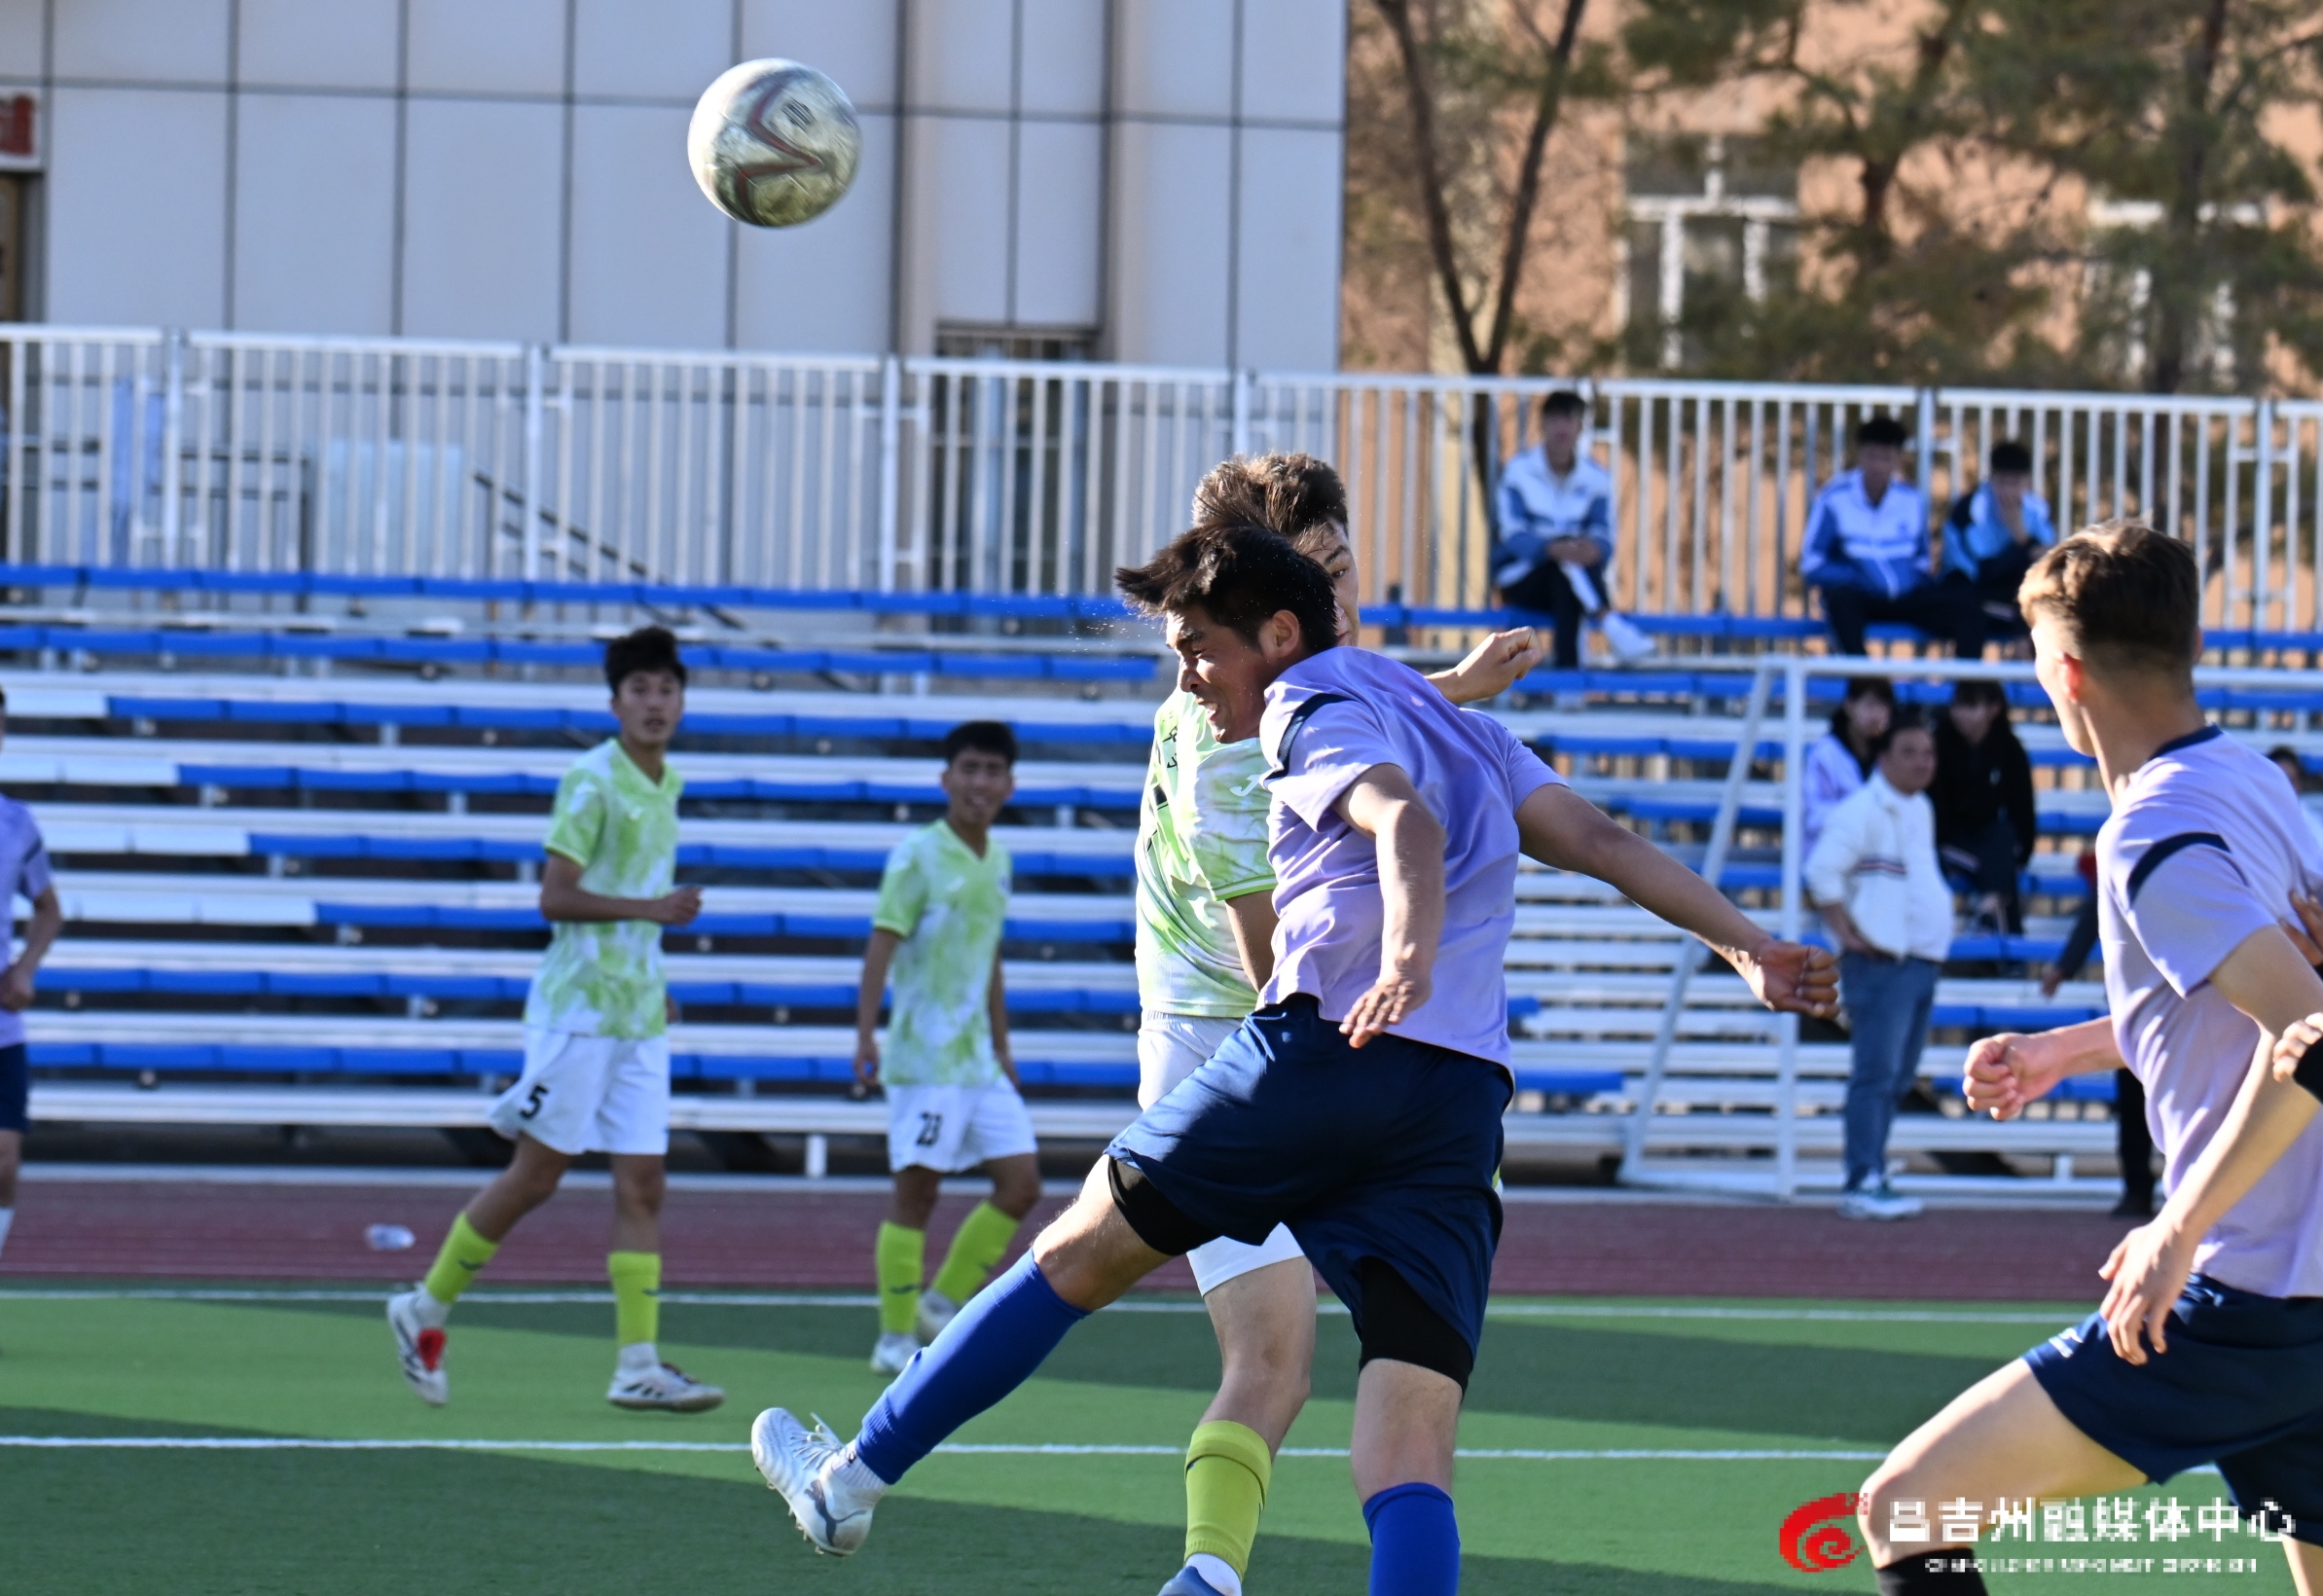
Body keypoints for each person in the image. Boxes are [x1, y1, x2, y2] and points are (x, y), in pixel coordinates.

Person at [748, 525, 1836, 1592]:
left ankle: (850, 1482)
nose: (1187, 676)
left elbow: (1400, 822)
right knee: (1409, 1445)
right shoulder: (1464, 727)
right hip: (1457, 1105)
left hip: (1328, 1052)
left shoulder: (1304, 701)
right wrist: (1747, 946)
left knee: (1078, 1254)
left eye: (1198, 649)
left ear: (1278, 633)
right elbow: (1601, 841)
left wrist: (1403, 954)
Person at [1859, 522, 2323, 1594]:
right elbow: (2247, 996)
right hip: (2304, 1284)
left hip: (2252, 1289)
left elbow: (2307, 1036)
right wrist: (2062, 1050)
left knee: (1908, 1508)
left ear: (2063, 671)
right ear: (2187, 643)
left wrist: (2174, 1229)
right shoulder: (2252, 779)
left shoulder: (2150, 831)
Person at [1130, 452, 1542, 1596]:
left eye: (1344, 565)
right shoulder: (1225, 736)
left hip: (1299, 1045)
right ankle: (1198, 1572)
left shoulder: (1293, 690)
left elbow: (1347, 728)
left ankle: (1203, 1574)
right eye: (1315, 569)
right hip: (1238, 1046)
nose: (1338, 594)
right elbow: (1270, 954)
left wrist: (1446, 689)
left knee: (1322, 1372)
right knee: (1277, 1361)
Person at [387, 627, 722, 1412]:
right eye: (639, 690)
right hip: (577, 1013)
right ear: (614, 703)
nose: (654, 703)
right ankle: (423, 1307)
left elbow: (630, 903)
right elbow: (555, 896)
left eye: (666, 689)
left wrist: (652, 976)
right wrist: (652, 912)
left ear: (681, 701)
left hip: (634, 1013)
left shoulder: (666, 782)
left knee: (644, 1184)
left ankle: (637, 1365)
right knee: (536, 1175)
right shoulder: (591, 779)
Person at [854, 720, 1040, 1376]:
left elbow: (989, 958)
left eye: (992, 771)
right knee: (917, 1193)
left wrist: (1002, 1043)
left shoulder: (999, 859)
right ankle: (892, 1337)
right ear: (946, 779)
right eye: (969, 769)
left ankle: (938, 1305)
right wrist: (865, 1033)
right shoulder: (917, 855)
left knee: (1021, 1185)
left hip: (977, 1060)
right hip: (924, 1059)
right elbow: (881, 943)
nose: (980, 783)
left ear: (1009, 785)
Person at [1807, 714, 1951, 1221]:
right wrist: (1846, 935)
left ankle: (1873, 1170)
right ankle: (1862, 1177)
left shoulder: (1919, 807)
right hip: (1884, 964)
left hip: (1919, 960)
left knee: (1897, 1075)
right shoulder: (1860, 810)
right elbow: (1821, 872)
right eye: (1909, 751)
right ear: (1883, 757)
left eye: (1928, 753)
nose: (1922, 762)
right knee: (1876, 1073)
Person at [1492, 390, 1655, 669]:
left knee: (1566, 577)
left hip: (1569, 582)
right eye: (1555, 419)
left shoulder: (1596, 478)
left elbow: (1604, 536)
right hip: (1523, 578)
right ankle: (1609, 623)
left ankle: (1567, 675)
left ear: (1580, 428)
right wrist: (1553, 549)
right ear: (1543, 425)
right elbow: (1512, 535)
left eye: (1569, 420)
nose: (1562, 428)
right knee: (1564, 567)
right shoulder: (1518, 473)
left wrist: (1591, 550)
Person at [1801, 415, 1987, 659]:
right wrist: (1857, 577)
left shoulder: (1911, 500)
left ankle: (1967, 683)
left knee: (1966, 609)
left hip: (1906, 597)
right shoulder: (1833, 498)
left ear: (1898, 459)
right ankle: (1865, 680)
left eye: (1886, 458)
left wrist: (1906, 581)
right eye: (1872, 457)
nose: (1878, 466)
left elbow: (1922, 560)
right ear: (1860, 455)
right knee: (1841, 604)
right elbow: (1811, 563)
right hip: (1859, 597)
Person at [2040, 852, 2156, 1217]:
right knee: (2134, 1105)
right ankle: (2137, 1189)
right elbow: (2094, 914)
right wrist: (2064, 966)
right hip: (2134, 1003)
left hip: (2182, 1001)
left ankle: (2186, 1196)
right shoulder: (2125, 855)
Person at [0, 685, 61, 1270]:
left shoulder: (16, 822)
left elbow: (49, 910)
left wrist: (24, 967)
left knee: (4, 1161)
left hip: (1, 1026)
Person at [1930, 679, 2037, 933]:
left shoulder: (2010, 749)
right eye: (1958, 706)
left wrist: (2022, 856)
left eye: (1970, 706)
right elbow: (1934, 808)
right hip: (1946, 841)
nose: (1961, 714)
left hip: (1988, 841)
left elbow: (2023, 808)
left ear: (1994, 708)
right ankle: (1997, 922)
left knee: (2003, 836)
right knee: (2002, 868)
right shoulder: (1938, 744)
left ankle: (1990, 913)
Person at [1942, 440, 2055, 638]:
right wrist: (2026, 547)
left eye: (2015, 483)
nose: (2008, 491)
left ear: (2027, 482)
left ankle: (2025, 651)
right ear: (1991, 479)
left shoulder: (2037, 510)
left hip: (2016, 594)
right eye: (2003, 482)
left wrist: (2020, 534)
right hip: (1975, 592)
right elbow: (1980, 570)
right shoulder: (1970, 510)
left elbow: (2047, 559)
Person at [1803, 677, 1896, 864]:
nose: (1877, 715)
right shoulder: (1825, 753)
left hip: (1876, 858)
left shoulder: (1890, 754)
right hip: (1828, 856)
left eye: (1883, 706)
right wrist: (1862, 815)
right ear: (1849, 706)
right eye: (1870, 705)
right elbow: (1813, 816)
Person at [2269, 744, 2323, 855]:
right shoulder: (2249, 819)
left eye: (2290, 780)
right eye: (2278, 781)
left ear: (2299, 784)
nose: (2285, 787)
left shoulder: (2314, 826)